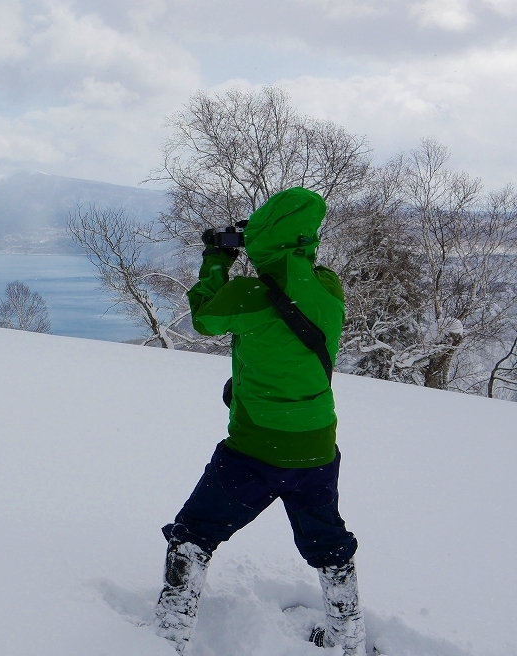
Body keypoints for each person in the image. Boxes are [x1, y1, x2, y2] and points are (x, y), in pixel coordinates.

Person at [155, 187, 365, 655]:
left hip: (255, 449)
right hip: (316, 449)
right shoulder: (329, 288)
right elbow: (297, 281)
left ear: (263, 237)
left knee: (194, 535)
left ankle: (168, 638)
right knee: (330, 545)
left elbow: (204, 317)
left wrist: (217, 257)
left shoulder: (249, 294)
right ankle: (348, 640)